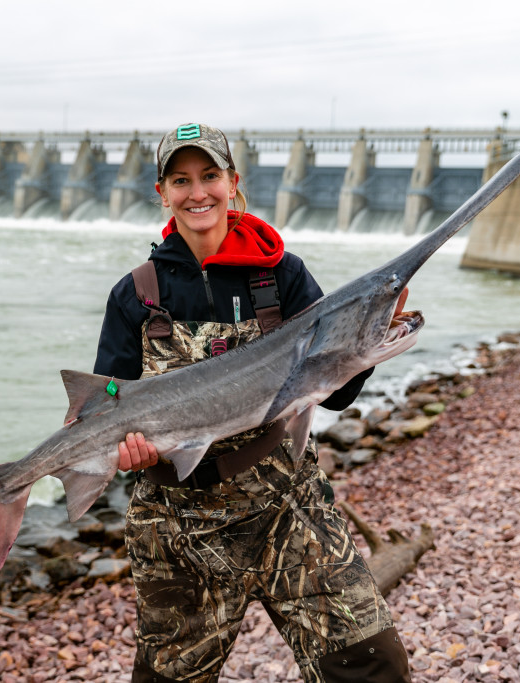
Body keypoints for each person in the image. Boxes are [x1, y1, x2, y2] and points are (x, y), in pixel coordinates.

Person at [94, 123, 412, 683]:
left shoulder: (281, 276)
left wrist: (368, 340)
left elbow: (333, 393)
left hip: (287, 504)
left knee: (372, 665)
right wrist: (129, 452)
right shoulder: (136, 295)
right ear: (161, 191)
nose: (199, 193)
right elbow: (109, 396)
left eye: (210, 176)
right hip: (180, 521)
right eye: (181, 179)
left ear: (232, 182)